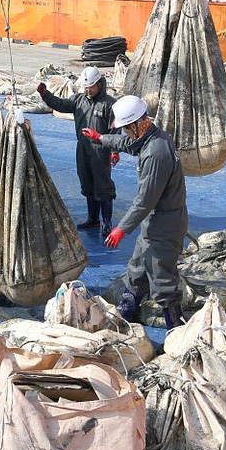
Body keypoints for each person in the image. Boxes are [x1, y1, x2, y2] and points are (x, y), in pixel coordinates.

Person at [82, 94, 187, 330]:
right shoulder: (150, 137)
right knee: (138, 268)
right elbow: (128, 144)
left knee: (163, 281)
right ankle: (126, 312)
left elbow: (145, 200)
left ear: (136, 124)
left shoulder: (156, 152)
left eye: (126, 129)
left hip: (165, 225)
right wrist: (101, 138)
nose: (126, 134)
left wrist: (121, 228)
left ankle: (177, 332)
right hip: (154, 224)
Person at [37, 66, 118, 236]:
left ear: (99, 85)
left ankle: (107, 222)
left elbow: (114, 130)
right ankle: (93, 219)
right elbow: (60, 104)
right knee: (87, 183)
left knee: (103, 186)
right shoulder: (78, 100)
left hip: (100, 150)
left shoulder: (109, 104)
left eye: (91, 87)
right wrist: (46, 95)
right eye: (86, 87)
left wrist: (114, 151)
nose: (88, 90)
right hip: (83, 148)